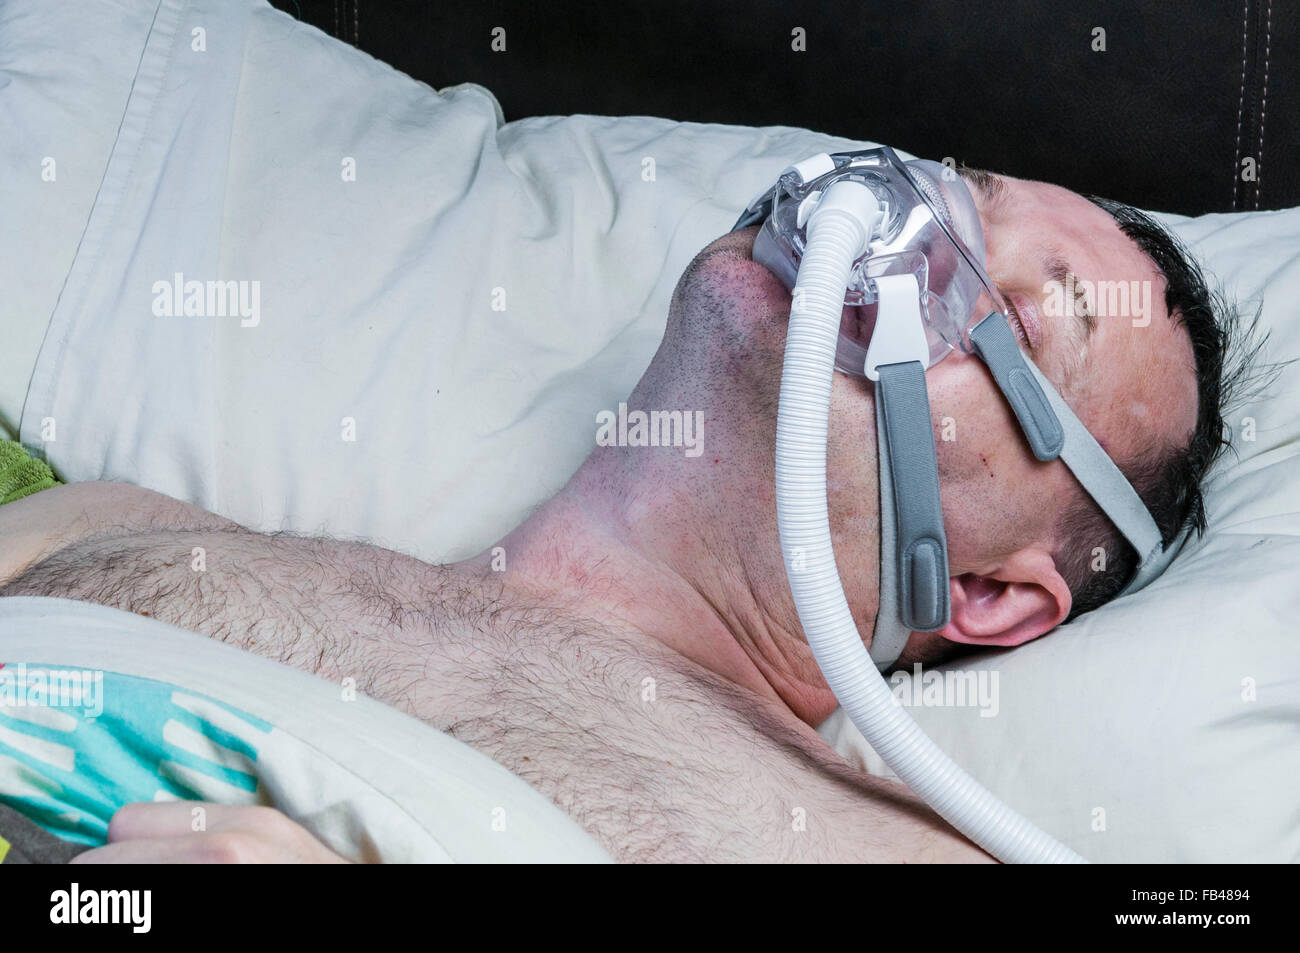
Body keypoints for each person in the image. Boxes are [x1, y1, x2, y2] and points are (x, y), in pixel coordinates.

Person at [0, 168, 1230, 862]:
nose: (903, 235)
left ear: (987, 593)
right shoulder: (116, 529)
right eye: (954, 192)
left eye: (1019, 319)